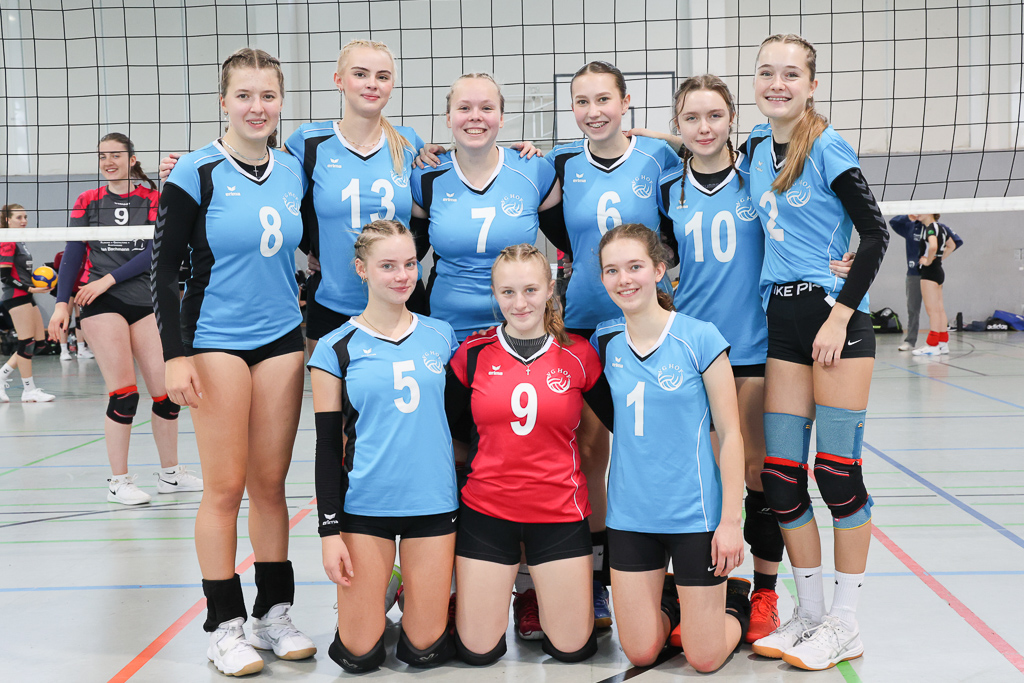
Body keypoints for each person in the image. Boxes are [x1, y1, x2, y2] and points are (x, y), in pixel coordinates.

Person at [151, 47, 315, 676]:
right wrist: (175, 357)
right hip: (215, 339)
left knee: (270, 486)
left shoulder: (292, 168)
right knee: (224, 488)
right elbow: (164, 273)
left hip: (282, 340)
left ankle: (274, 614)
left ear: (281, 102)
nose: (256, 107)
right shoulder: (195, 172)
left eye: (267, 95)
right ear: (223, 101)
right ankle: (224, 626)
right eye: (244, 95)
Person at [745, 34, 889, 670]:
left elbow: (876, 234)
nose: (777, 84)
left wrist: (840, 314)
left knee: (836, 473)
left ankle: (845, 623)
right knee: (780, 477)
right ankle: (807, 615)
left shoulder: (827, 146)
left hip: (835, 324)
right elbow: (694, 145)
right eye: (766, 73)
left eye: (790, 74)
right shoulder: (755, 145)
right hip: (781, 319)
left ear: (811, 84)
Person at [545, 61, 682, 629]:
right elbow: (550, 220)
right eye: (582, 102)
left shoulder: (659, 157)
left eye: (604, 99)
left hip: (648, 324)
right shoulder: (561, 164)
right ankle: (599, 580)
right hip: (583, 324)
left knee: (654, 447)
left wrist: (665, 134)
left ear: (626, 102)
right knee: (589, 452)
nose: (593, 111)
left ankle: (672, 576)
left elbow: (704, 175)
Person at [657, 74, 785, 645]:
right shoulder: (668, 187)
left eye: (714, 116)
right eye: (691, 118)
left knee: (757, 471)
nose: (704, 127)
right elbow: (662, 260)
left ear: (733, 118)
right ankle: (710, 590)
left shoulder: (758, 169)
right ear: (677, 125)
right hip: (693, 352)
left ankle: (765, 592)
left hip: (753, 346)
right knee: (703, 475)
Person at [591, 223, 750, 673]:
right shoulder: (605, 342)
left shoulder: (700, 338)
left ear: (659, 270)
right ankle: (678, 605)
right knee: (641, 652)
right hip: (631, 515)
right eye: (612, 270)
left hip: (694, 515)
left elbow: (731, 434)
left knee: (704, 657)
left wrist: (730, 522)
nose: (624, 279)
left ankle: (735, 603)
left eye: (635, 267)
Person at [446, 244, 606, 665]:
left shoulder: (579, 354)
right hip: (487, 513)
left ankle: (535, 597)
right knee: (478, 651)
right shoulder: (471, 354)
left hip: (559, 514)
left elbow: (624, 424)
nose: (520, 303)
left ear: (551, 289)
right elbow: (445, 428)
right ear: (495, 294)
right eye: (508, 292)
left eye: (531, 290)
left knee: (572, 649)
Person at [310, 220, 459, 673]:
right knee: (358, 655)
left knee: (423, 649)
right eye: (388, 266)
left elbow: (459, 426)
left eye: (410, 264)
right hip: (367, 507)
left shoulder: (442, 336)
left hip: (432, 504)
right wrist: (329, 532)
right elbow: (326, 447)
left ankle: (405, 583)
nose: (402, 276)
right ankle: (386, 580)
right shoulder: (334, 347)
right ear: (362, 268)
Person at [47, 135, 200, 504]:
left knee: (167, 395)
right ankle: (118, 481)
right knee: (124, 394)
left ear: (132, 159)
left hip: (145, 300)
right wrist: (61, 303)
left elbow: (155, 250)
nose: (108, 161)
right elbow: (73, 251)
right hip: (100, 303)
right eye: (103, 156)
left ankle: (170, 475)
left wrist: (108, 279)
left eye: (115, 155)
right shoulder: (88, 200)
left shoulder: (153, 198)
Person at [410, 72, 566, 342]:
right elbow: (408, 258)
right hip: (447, 330)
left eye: (486, 108)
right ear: (448, 118)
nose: (475, 116)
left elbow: (572, 242)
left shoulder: (534, 170)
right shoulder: (425, 176)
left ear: (501, 118)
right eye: (464, 108)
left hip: (520, 328)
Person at [879, 215, 962, 352]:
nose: (918, 212)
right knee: (935, 309)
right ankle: (941, 342)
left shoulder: (932, 228)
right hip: (929, 271)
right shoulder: (922, 227)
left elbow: (936, 246)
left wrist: (929, 260)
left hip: (928, 272)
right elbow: (893, 222)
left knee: (933, 311)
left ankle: (933, 344)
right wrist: (937, 259)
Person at [0, 204, 56, 403]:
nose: (24, 220)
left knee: (39, 343)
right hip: (15, 296)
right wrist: (30, 288)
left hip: (26, 295)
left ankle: (1, 375)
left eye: (25, 217)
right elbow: (4, 276)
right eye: (19, 217)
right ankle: (29, 390)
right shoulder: (7, 241)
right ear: (7, 220)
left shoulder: (20, 241)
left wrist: (38, 283)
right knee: (27, 342)